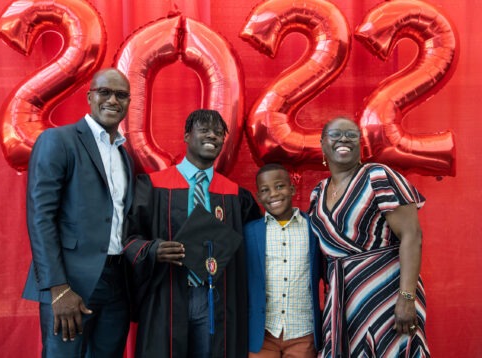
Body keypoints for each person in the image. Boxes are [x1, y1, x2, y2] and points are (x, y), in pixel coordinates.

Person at [123, 109, 261, 358]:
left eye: (219, 133)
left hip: (216, 299)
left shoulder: (236, 196)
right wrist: (153, 249)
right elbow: (127, 239)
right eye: (205, 130)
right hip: (167, 293)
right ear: (187, 136)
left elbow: (252, 252)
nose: (213, 136)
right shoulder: (153, 186)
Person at [22, 68, 134, 357]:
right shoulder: (58, 141)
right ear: (89, 96)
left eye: (121, 95)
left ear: (129, 102)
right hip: (70, 284)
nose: (112, 100)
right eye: (104, 92)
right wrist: (57, 288)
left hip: (118, 283)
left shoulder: (125, 154)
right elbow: (40, 218)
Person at [308, 117, 430, 357]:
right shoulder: (318, 192)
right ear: (322, 144)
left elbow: (412, 236)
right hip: (342, 300)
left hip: (386, 293)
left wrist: (406, 298)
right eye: (336, 134)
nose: (344, 139)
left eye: (352, 135)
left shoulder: (378, 176)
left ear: (360, 145)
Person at [244, 163, 323, 357]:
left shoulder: (313, 229)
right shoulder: (250, 232)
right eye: (265, 190)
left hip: (303, 332)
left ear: (292, 189)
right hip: (262, 334)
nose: (273, 194)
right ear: (259, 196)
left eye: (279, 186)